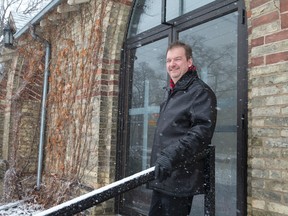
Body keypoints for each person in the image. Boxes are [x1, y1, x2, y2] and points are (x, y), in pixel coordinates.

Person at [148, 41, 217, 216]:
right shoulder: (172, 93)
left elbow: (201, 133)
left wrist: (171, 156)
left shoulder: (199, 92)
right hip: (163, 175)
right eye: (168, 60)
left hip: (179, 178)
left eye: (177, 59)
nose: (172, 64)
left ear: (189, 62)